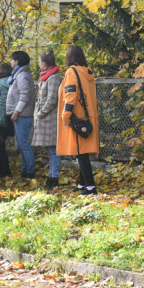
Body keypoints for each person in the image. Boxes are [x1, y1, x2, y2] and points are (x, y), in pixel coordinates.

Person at [58, 45, 100, 196]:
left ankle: (90, 188)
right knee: (82, 152)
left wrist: (65, 115)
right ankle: (83, 184)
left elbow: (71, 95)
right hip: (88, 117)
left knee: (80, 154)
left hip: (77, 118)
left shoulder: (72, 72)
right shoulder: (86, 72)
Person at [31, 50, 63, 190]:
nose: (39, 64)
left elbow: (52, 99)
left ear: (43, 64)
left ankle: (54, 178)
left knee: (54, 150)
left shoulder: (54, 77)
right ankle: (52, 177)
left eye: (39, 62)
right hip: (45, 119)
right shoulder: (46, 76)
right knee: (51, 150)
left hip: (51, 119)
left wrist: (40, 113)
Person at [7, 50, 37, 179]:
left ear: (17, 61)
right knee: (21, 145)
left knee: (24, 145)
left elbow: (25, 95)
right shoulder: (19, 74)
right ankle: (25, 170)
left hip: (22, 115)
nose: (11, 61)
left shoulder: (22, 75)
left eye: (12, 59)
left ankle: (30, 172)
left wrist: (16, 111)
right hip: (20, 115)